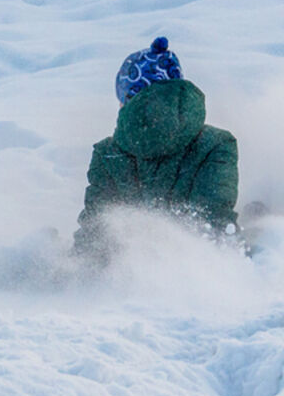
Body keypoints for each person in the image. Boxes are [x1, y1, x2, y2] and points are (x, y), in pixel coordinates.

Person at [74, 37, 239, 258]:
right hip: (203, 270)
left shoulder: (107, 153)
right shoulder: (216, 144)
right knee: (259, 217)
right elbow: (215, 222)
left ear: (128, 100)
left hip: (127, 271)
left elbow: (95, 232)